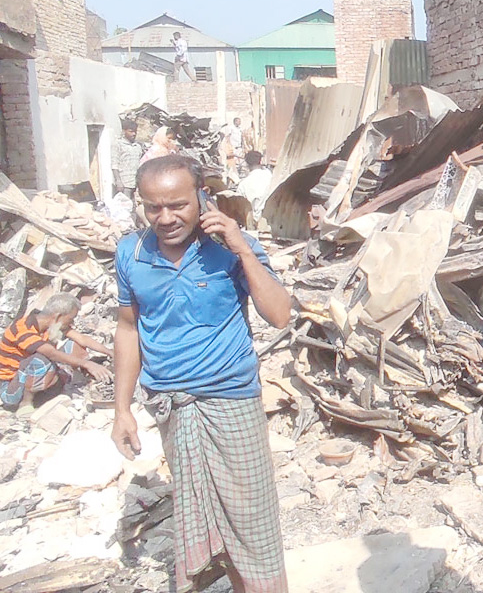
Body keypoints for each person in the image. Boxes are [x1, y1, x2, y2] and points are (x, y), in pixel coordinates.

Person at [111, 155, 291, 592]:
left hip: (231, 401)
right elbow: (128, 328)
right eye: (153, 207)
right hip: (174, 409)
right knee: (197, 517)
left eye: (178, 205)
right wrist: (121, 410)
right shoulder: (130, 253)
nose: (166, 218)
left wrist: (242, 248)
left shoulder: (231, 248)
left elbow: (280, 314)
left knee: (254, 522)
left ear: (202, 199)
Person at [0, 293, 113, 416]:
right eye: (71, 319)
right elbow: (51, 353)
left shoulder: (49, 324)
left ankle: (69, 383)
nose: (73, 323)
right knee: (41, 359)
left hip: (29, 375)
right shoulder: (22, 329)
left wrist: (109, 352)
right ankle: (25, 402)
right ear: (58, 316)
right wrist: (88, 364)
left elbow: (81, 339)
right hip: (11, 386)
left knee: (74, 345)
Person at [236, 151, 272, 226]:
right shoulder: (270, 176)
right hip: (271, 221)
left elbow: (240, 209)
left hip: (254, 225)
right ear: (260, 161)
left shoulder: (243, 185)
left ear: (246, 164)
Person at [112, 119, 143, 199]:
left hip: (135, 183)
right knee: (125, 206)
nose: (134, 134)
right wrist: (118, 181)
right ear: (124, 131)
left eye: (135, 131)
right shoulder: (118, 144)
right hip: (124, 183)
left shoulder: (137, 146)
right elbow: (114, 165)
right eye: (131, 131)